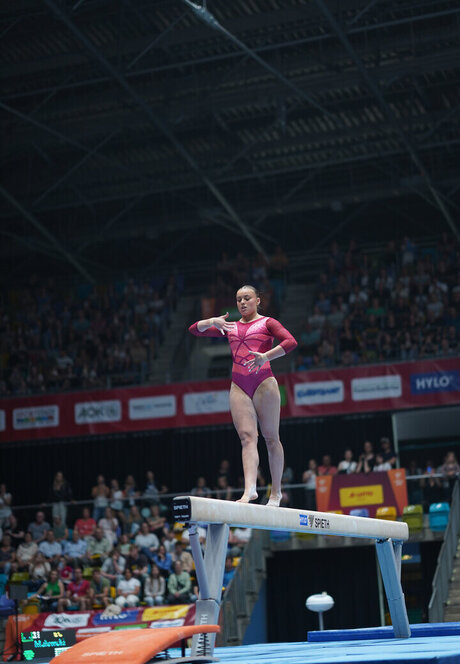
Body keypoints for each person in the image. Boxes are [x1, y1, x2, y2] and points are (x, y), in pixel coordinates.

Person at [189, 284, 297, 505]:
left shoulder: (268, 323)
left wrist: (265, 356)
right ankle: (250, 490)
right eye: (239, 300)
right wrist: (212, 321)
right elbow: (194, 330)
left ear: (258, 300)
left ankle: (276, 492)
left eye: (247, 298)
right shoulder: (230, 326)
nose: (243, 303)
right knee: (247, 438)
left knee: (271, 438)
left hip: (264, 382)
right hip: (239, 385)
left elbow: (291, 342)